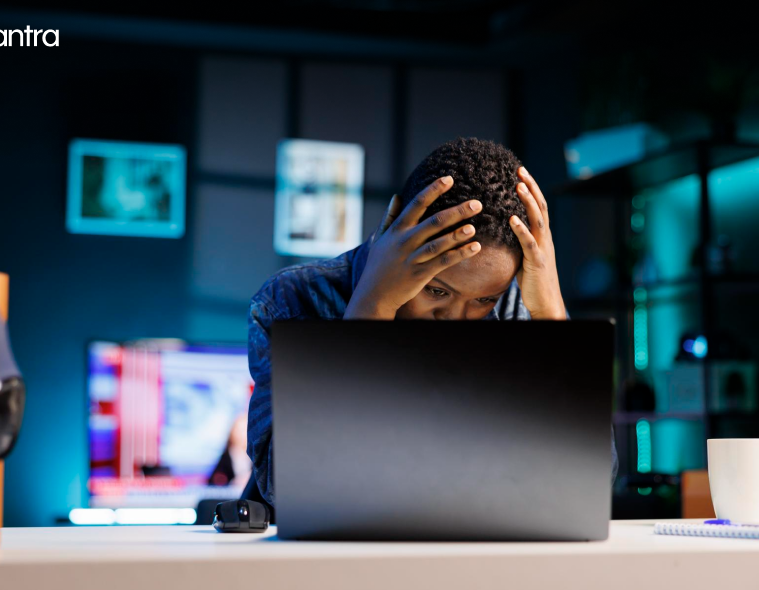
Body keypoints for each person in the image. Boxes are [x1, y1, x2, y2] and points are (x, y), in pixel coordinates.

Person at [246, 137, 618, 509]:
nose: (456, 318)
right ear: (393, 239)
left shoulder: (516, 306)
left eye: (483, 300)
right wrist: (370, 308)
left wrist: (553, 320)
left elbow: (592, 480)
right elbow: (282, 484)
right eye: (437, 291)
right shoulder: (291, 300)